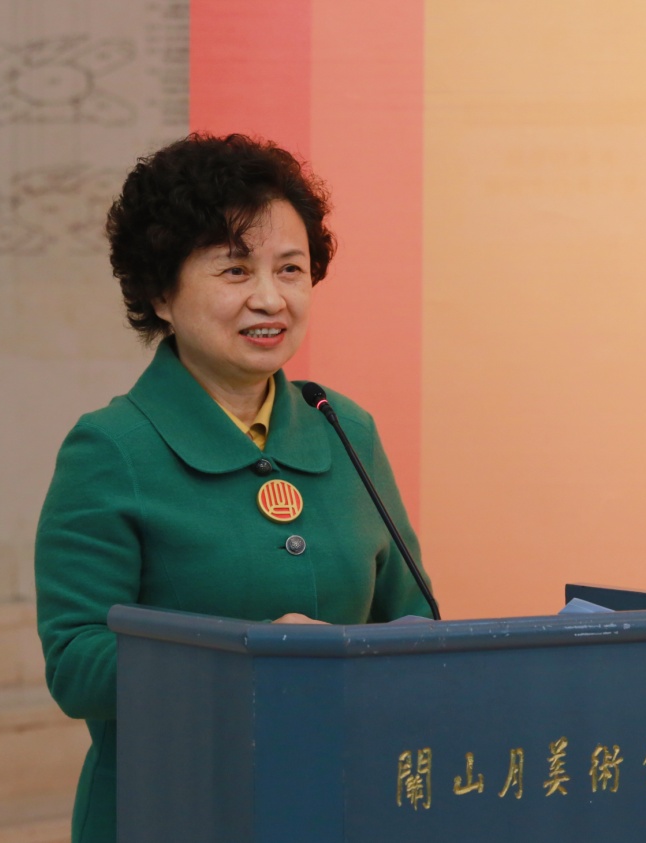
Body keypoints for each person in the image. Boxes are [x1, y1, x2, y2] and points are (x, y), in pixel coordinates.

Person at [34, 133, 434, 843]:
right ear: (161, 292)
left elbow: (412, 619)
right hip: (171, 808)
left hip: (335, 804)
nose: (270, 298)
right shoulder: (112, 448)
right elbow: (76, 663)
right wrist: (248, 656)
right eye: (235, 270)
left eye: (291, 269)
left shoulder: (345, 428)